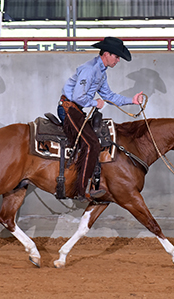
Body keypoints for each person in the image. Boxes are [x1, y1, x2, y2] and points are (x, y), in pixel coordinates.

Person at [57, 36, 143, 202]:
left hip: (77, 109)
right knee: (91, 144)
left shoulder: (101, 72)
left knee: (95, 140)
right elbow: (77, 97)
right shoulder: (89, 70)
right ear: (107, 54)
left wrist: (131, 101)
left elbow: (108, 95)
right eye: (117, 57)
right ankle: (81, 190)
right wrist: (94, 102)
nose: (118, 60)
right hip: (68, 108)